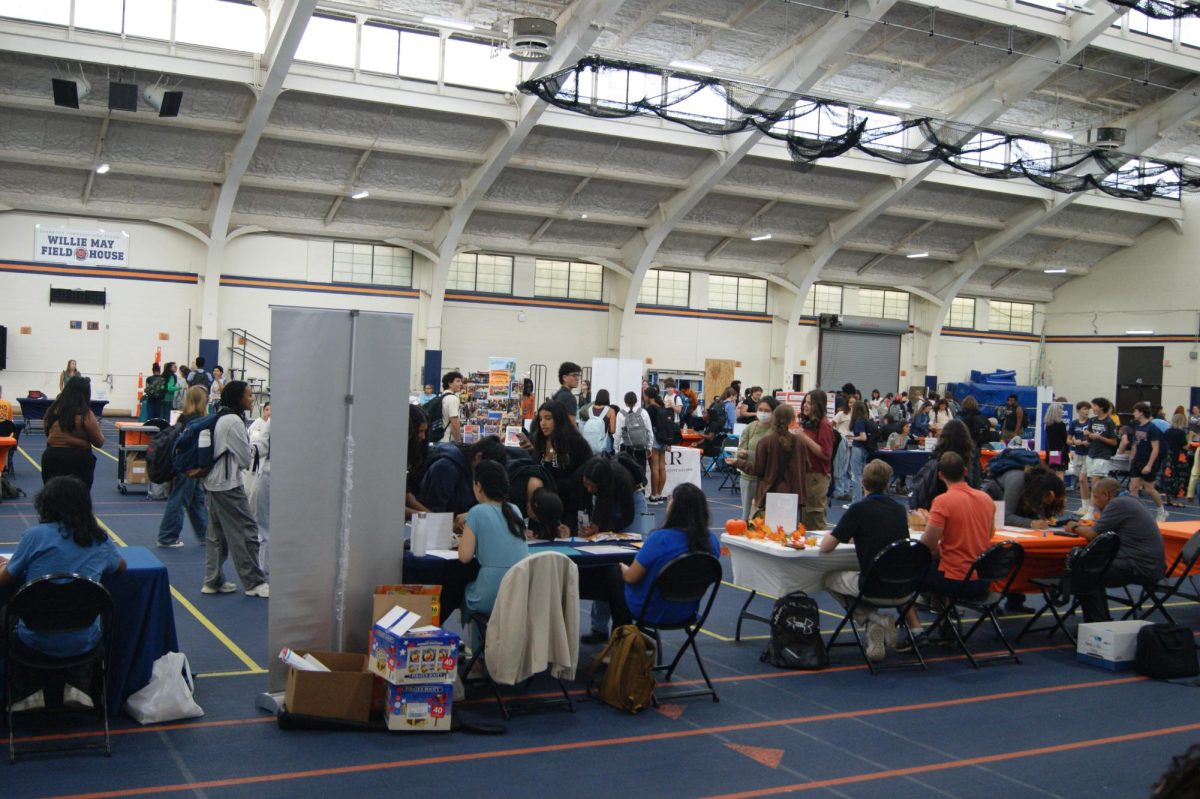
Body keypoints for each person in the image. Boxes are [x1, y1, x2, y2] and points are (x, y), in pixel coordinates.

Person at [0, 477, 126, 711]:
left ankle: (25, 689)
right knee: (85, 619)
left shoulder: (35, 536)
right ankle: (79, 685)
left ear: (45, 504)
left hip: (34, 639)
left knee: (8, 616)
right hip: (84, 639)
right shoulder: (99, 539)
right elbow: (120, 567)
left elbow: (6, 579)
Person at [820, 459, 909, 661]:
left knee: (827, 578)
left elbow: (827, 547)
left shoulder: (858, 510)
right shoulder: (898, 510)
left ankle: (872, 619)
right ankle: (873, 626)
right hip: (904, 587)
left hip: (874, 587)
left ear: (862, 482)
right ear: (887, 484)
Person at [902, 452, 995, 643]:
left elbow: (927, 544)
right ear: (966, 471)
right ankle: (947, 621)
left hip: (956, 578)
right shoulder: (986, 499)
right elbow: (989, 534)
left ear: (940, 475)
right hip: (983, 577)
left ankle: (917, 630)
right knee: (937, 566)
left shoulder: (943, 501)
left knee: (905, 573)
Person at [606, 483, 720, 628]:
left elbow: (630, 577)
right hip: (687, 610)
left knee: (615, 573)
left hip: (651, 609)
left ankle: (623, 635)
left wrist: (622, 568)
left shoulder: (660, 539)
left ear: (675, 508)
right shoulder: (711, 541)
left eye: (671, 499)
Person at [1063, 478, 1165, 622]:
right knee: (1090, 569)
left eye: (1096, 498)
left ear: (1105, 495)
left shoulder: (1118, 504)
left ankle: (1098, 624)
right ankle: (1098, 622)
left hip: (1140, 565)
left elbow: (1093, 534)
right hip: (1150, 563)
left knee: (1088, 572)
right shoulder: (1130, 500)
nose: (1095, 503)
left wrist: (1074, 526)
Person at [202, 381, 269, 597]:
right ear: (239, 398)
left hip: (213, 482)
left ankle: (212, 581)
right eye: (249, 396)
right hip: (228, 484)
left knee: (216, 534)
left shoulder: (221, 416)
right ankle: (254, 582)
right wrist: (259, 446)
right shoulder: (234, 422)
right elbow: (243, 458)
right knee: (247, 530)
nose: (252, 399)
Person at [459, 460, 528, 651]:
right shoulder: (515, 510)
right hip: (519, 594)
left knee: (463, 592)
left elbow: (464, 557)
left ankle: (477, 655)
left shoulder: (476, 512)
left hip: (490, 595)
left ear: (478, 486)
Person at [725, 402, 806, 519]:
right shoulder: (800, 443)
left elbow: (758, 470)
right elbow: (806, 467)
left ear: (774, 418)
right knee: (788, 532)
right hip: (793, 494)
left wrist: (737, 462)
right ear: (792, 420)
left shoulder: (765, 442)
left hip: (770, 492)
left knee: (764, 531)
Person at [156, 386, 211, 548]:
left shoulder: (183, 417)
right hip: (189, 466)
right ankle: (167, 536)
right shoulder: (198, 420)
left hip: (183, 464)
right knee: (180, 499)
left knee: (196, 500)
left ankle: (206, 535)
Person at [418, 436, 507, 515]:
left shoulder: (471, 470)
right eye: (488, 469)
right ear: (478, 457)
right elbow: (434, 508)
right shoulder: (447, 468)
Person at [41, 376, 104, 489]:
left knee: (51, 496)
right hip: (78, 460)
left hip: (52, 457)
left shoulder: (53, 410)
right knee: (78, 498)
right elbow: (99, 442)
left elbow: (47, 432)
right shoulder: (86, 414)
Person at [520, 400, 593, 488]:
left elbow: (583, 475)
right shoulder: (539, 441)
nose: (543, 423)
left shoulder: (576, 443)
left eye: (548, 418)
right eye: (540, 419)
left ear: (558, 419)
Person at [733, 396, 777, 522]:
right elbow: (740, 450)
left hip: (767, 479)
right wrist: (741, 455)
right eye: (761, 409)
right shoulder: (750, 427)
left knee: (765, 516)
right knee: (747, 514)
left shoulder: (776, 431)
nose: (763, 413)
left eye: (767, 410)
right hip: (748, 477)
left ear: (774, 412)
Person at [797, 389, 834, 530]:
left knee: (814, 516)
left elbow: (826, 454)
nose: (805, 406)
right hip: (805, 475)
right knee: (805, 517)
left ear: (818, 406)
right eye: (805, 402)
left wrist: (803, 438)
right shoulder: (807, 423)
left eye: (810, 403)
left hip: (816, 477)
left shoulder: (824, 425)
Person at [1077, 397, 1119, 519]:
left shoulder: (1109, 422)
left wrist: (1099, 437)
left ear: (1101, 407)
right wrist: (1088, 436)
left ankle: (1091, 511)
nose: (1092, 408)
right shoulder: (1093, 420)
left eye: (1094, 406)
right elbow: (1090, 439)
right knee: (1082, 478)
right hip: (1091, 453)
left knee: (1095, 483)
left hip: (1102, 455)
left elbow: (1113, 442)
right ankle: (1085, 506)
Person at [1129, 401, 1168, 522]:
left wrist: (1149, 465)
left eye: (1135, 411)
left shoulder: (1152, 428)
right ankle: (1135, 514)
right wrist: (1132, 457)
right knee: (1134, 488)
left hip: (1148, 461)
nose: (1133, 413)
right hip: (1137, 460)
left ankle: (1161, 510)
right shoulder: (1138, 426)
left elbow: (1155, 448)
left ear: (1141, 412)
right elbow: (1136, 444)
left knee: (1149, 489)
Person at [247, 400, 271, 574]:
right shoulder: (266, 423)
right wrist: (251, 450)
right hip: (268, 473)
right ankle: (262, 569)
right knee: (263, 525)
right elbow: (262, 445)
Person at [643, 386, 670, 504]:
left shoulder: (650, 409)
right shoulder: (662, 407)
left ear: (648, 396)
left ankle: (653, 496)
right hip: (663, 437)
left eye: (644, 395)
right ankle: (659, 494)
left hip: (654, 437)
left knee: (654, 467)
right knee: (661, 467)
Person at [614, 391, 653, 472]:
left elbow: (618, 434)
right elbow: (649, 431)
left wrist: (616, 449)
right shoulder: (643, 412)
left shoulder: (620, 414)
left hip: (625, 447)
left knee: (626, 473)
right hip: (641, 447)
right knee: (640, 473)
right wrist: (649, 447)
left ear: (625, 401)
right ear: (636, 401)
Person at [1159, 413, 1189, 508]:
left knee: (1168, 478)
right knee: (1179, 478)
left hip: (1168, 457)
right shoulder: (1181, 433)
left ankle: (1168, 499)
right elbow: (1185, 446)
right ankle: (1176, 500)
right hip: (1178, 458)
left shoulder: (1167, 431)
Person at [846, 400, 872, 503]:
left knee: (855, 476)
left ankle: (856, 501)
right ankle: (863, 500)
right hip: (865, 450)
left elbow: (863, 437)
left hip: (858, 449)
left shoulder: (858, 421)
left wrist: (852, 437)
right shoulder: (866, 420)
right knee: (863, 476)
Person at [832, 396, 853, 499]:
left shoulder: (857, 415)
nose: (852, 405)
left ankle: (846, 490)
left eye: (854, 403)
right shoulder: (841, 414)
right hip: (842, 442)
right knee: (841, 467)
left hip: (854, 443)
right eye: (850, 403)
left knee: (850, 469)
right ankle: (839, 491)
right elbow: (832, 424)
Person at [1043, 402, 1069, 479]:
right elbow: (1065, 440)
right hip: (1060, 451)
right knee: (1060, 473)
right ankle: (1060, 490)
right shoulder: (1061, 425)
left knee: (1052, 473)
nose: (1062, 412)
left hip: (1051, 451)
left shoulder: (1047, 425)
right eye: (1061, 410)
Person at [552, 362, 581, 430]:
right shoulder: (569, 397)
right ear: (564, 378)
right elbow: (572, 424)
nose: (577, 378)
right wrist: (580, 439)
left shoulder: (557, 395)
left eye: (578, 375)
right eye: (574, 375)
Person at [440, 371, 464, 443]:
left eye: (461, 381)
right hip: (447, 441)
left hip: (438, 438)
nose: (461, 384)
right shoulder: (453, 398)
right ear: (450, 383)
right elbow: (454, 423)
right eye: (458, 381)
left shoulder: (442, 397)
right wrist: (458, 441)